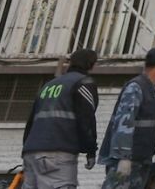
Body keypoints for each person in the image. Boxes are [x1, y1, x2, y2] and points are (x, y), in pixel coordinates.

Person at [24, 48, 101, 189]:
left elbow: (31, 122)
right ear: (92, 64)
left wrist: (26, 149)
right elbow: (86, 119)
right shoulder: (83, 83)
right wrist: (90, 150)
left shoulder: (48, 85)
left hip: (31, 153)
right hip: (57, 155)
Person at [104, 46, 155, 188]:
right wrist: (123, 157)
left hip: (141, 160)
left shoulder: (152, 91)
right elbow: (124, 122)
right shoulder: (136, 87)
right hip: (127, 162)